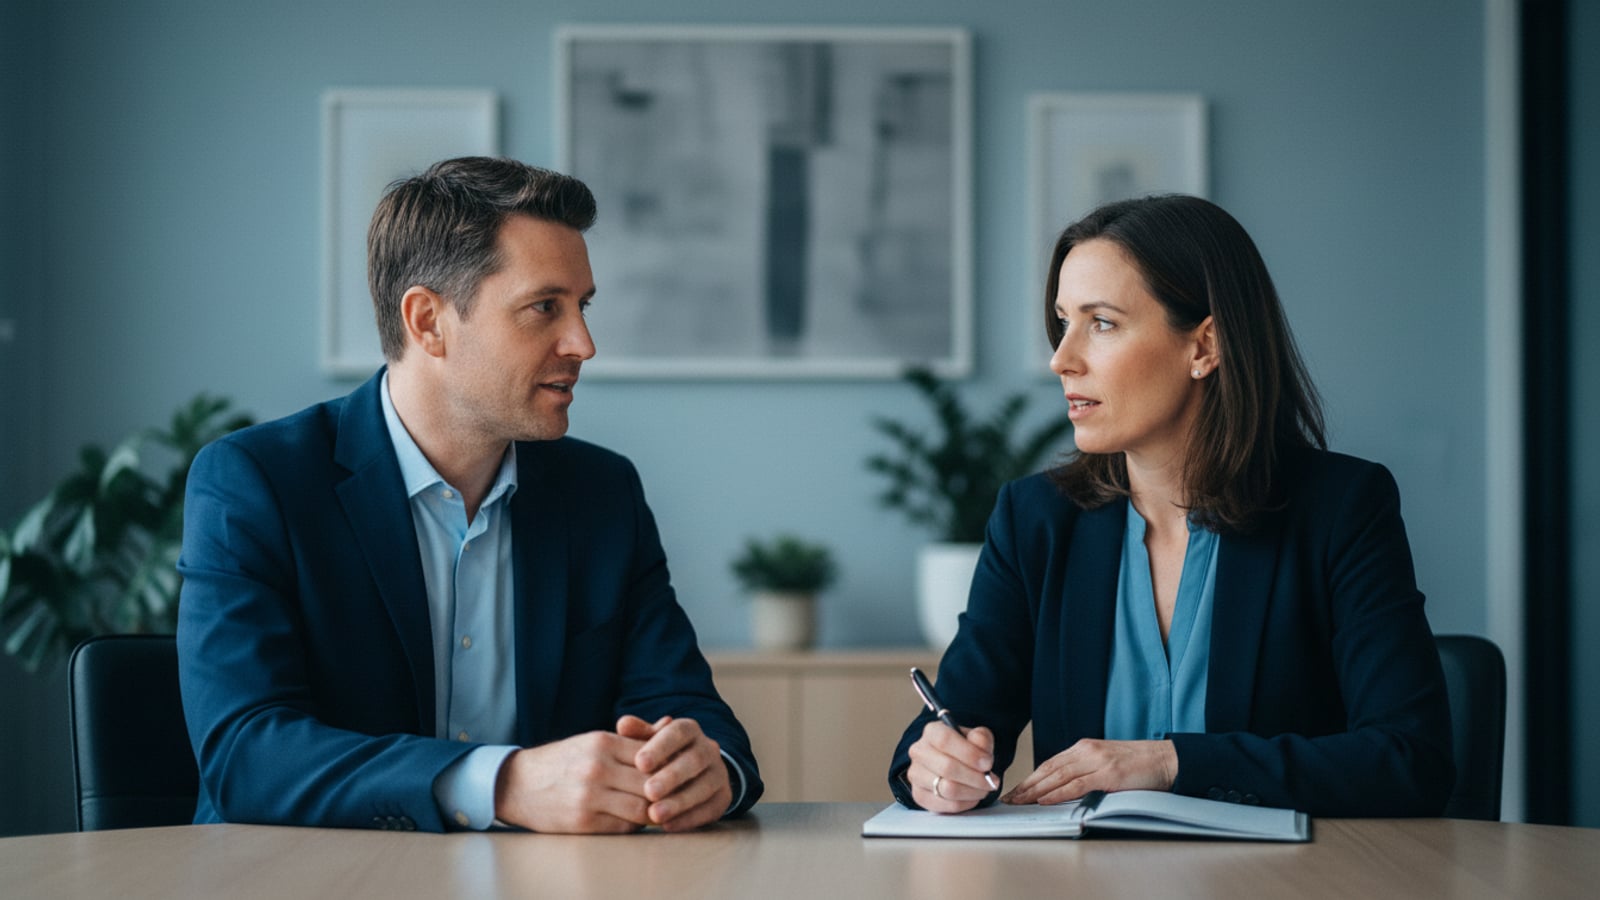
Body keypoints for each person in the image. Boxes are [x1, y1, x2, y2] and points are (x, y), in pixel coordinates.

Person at [177, 157, 762, 834]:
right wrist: (503, 784)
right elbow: (246, 755)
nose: (584, 343)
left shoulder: (603, 494)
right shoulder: (255, 484)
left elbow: (692, 712)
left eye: (583, 307)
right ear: (428, 322)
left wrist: (705, 769)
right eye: (545, 308)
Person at [887, 194, 1453, 817]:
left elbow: (1411, 760)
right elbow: (948, 730)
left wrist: (1168, 762)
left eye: (1100, 323)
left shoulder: (1341, 509)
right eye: (1063, 322)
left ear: (1204, 346)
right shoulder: (1035, 522)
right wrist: (938, 769)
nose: (1061, 359)